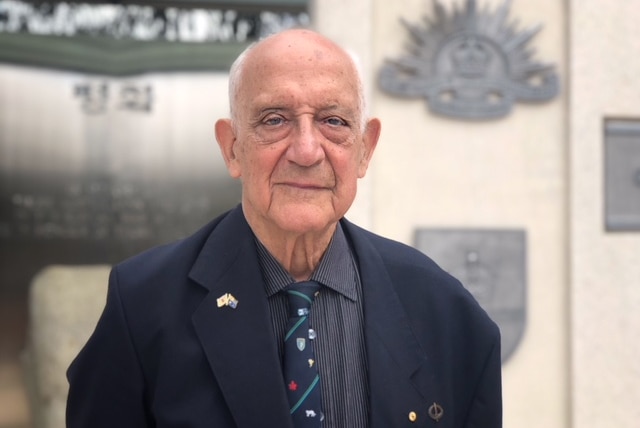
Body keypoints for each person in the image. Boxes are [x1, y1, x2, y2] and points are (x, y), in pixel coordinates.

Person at [66, 28, 502, 428]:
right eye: (275, 119)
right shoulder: (143, 306)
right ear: (232, 147)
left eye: (334, 121)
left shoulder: (447, 312)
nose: (307, 150)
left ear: (365, 150)